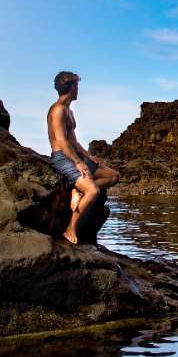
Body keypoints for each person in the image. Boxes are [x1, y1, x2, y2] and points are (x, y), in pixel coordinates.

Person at [47, 71, 119, 245]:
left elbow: (74, 140)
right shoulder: (57, 110)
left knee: (113, 176)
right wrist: (78, 162)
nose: (77, 90)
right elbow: (61, 140)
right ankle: (70, 229)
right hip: (63, 159)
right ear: (72, 87)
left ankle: (79, 191)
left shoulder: (68, 110)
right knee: (93, 191)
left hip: (75, 156)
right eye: (76, 86)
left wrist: (88, 156)